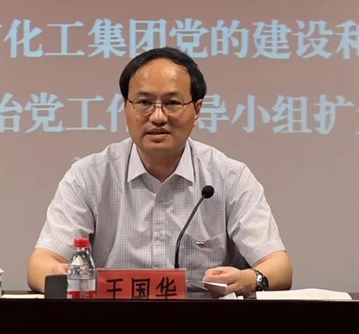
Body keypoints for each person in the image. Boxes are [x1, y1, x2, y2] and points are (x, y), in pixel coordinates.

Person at [27, 47, 292, 296]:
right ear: (126, 107)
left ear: (197, 110)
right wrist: (64, 276)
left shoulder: (230, 178)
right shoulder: (89, 176)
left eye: (172, 103)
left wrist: (251, 279)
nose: (157, 117)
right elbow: (40, 265)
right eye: (144, 102)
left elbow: (279, 266)